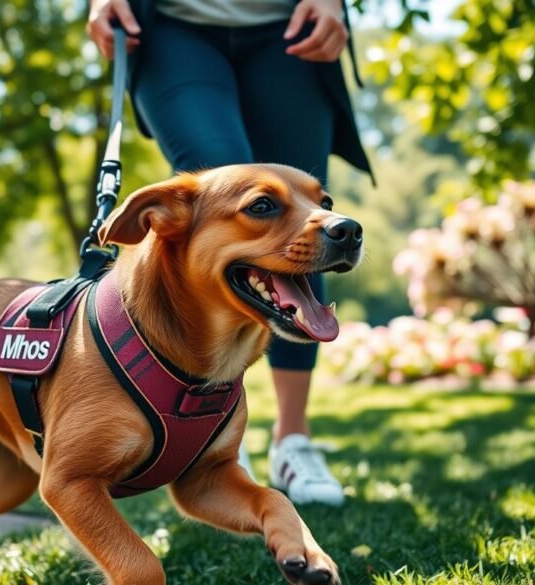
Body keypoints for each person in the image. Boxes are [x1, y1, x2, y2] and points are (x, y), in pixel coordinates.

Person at [87, 0, 372, 506]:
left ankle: (293, 440)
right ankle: (217, 441)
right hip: (173, 27)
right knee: (230, 198)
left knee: (302, 227)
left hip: (292, 24)